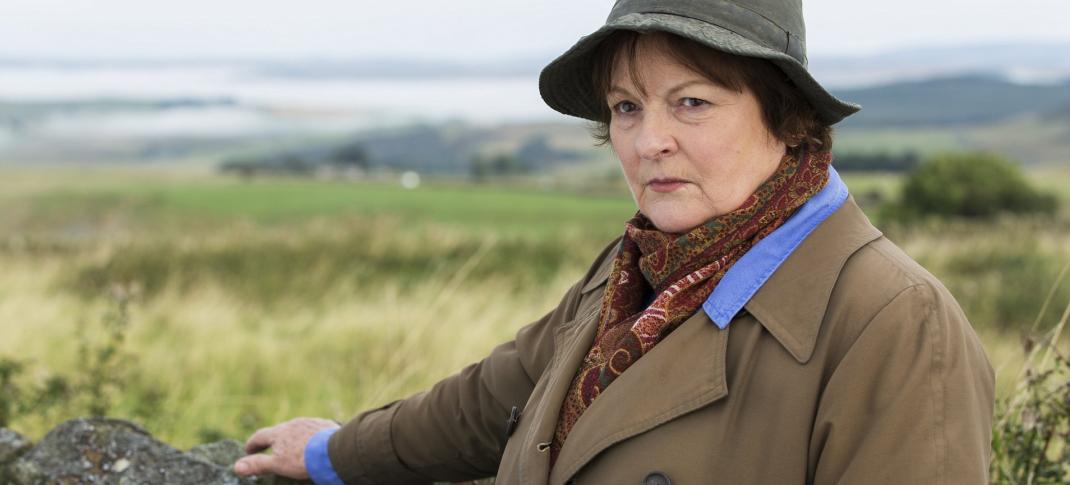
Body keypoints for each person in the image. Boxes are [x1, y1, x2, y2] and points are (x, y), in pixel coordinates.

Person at [235, 1, 995, 483]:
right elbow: (487, 403)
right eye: (626, 107)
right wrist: (335, 454)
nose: (648, 140)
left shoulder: (895, 323)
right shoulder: (637, 266)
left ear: (786, 116)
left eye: (690, 103)